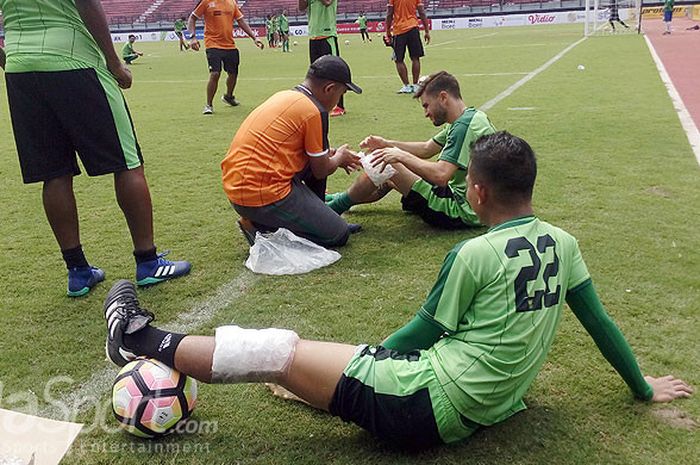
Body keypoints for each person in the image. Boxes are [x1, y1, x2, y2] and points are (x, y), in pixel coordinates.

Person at [104, 131, 693, 448]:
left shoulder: (474, 251)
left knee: (276, 353)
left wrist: (358, 370)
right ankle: (323, 382)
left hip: (423, 402)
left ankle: (135, 334)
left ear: (478, 194)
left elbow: (417, 337)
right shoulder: (563, 242)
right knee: (298, 368)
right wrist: (641, 387)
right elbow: (601, 325)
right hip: (480, 408)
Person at [0, 0, 190, 297]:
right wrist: (115, 65)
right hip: (75, 61)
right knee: (127, 163)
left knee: (54, 174)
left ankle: (78, 271)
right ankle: (148, 261)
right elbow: (87, 2)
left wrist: (9, 59)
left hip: (21, 68)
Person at [221, 56, 362, 248]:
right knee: (338, 235)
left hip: (240, 188)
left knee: (320, 159)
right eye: (341, 93)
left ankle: (317, 217)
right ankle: (261, 227)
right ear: (329, 89)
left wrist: (331, 156)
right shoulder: (314, 110)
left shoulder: (286, 96)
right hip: (261, 195)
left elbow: (312, 159)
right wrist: (339, 157)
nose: (338, 101)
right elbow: (321, 170)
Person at [327, 71, 495, 230]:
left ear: (443, 97)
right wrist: (386, 143)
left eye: (427, 106)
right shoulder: (469, 118)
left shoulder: (463, 126)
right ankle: (331, 201)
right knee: (389, 173)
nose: (426, 113)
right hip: (470, 201)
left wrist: (399, 156)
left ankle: (330, 210)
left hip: (460, 209)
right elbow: (426, 148)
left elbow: (441, 175)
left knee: (386, 165)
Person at [188, 0, 264, 115]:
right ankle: (209, 105)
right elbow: (192, 18)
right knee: (215, 73)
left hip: (229, 45)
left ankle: (229, 96)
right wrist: (193, 37)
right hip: (212, 44)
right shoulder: (206, 2)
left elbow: (241, 21)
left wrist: (254, 38)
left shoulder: (232, 2)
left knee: (233, 74)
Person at [299, 0, 346, 117]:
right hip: (313, 36)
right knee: (316, 74)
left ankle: (339, 106)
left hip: (328, 35)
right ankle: (318, 105)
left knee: (334, 72)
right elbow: (301, 7)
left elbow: (327, 2)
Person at [386, 0, 430, 94]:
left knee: (398, 59)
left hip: (399, 30)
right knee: (415, 58)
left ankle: (406, 86)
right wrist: (426, 31)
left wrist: (388, 32)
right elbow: (422, 12)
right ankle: (415, 85)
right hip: (413, 28)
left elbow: (390, 13)